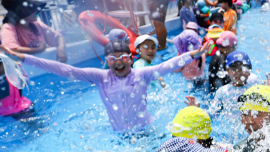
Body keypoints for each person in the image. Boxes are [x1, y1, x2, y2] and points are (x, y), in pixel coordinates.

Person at [0, 30, 206, 132]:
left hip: (145, 130)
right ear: (106, 62)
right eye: (112, 59)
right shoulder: (100, 77)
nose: (118, 63)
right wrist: (24, 58)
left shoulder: (142, 74)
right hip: (118, 134)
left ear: (131, 59)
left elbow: (168, 65)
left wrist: (194, 53)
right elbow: (65, 69)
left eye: (123, 58)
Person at [0, 0, 67, 62]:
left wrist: (61, 47)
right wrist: (38, 49)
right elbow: (10, 49)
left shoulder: (38, 25)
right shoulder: (8, 28)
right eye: (31, 9)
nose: (35, 11)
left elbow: (59, 37)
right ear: (22, 13)